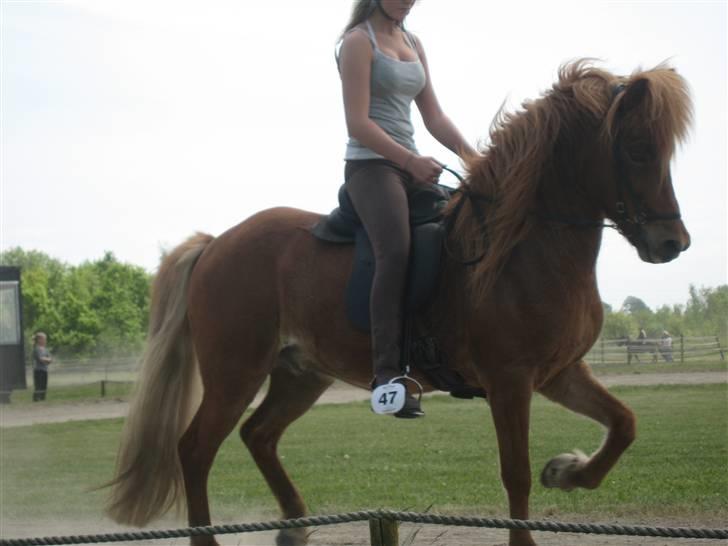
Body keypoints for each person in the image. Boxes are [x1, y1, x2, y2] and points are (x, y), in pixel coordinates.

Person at [338, 0, 477, 417]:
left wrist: (475, 159)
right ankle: (386, 376)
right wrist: (409, 161)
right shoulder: (357, 42)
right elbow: (357, 123)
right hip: (371, 168)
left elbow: (433, 115)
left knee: (459, 232)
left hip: (411, 166)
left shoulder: (414, 42)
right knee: (395, 250)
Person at [32, 332, 52, 401]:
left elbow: (50, 359)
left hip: (44, 370)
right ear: (39, 340)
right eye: (44, 339)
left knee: (44, 385)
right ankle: (36, 398)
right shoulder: (36, 349)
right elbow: (40, 359)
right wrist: (46, 359)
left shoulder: (45, 349)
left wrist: (46, 359)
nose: (45, 341)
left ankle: (43, 398)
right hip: (38, 370)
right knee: (38, 385)